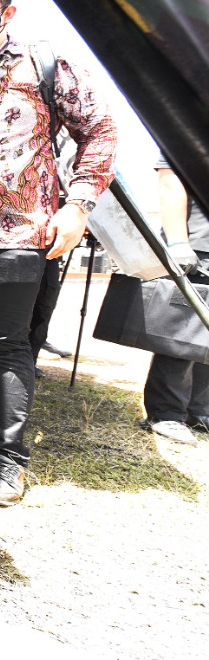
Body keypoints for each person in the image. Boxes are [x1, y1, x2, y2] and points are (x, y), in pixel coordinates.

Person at [0, 0, 117, 504]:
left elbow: (100, 127)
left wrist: (77, 204)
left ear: (5, 14)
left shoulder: (42, 64)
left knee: (3, 346)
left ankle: (5, 460)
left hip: (16, 234)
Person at [141, 154, 209, 443]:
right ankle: (166, 413)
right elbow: (171, 181)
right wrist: (178, 241)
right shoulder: (184, 118)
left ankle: (200, 410)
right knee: (183, 334)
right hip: (198, 243)